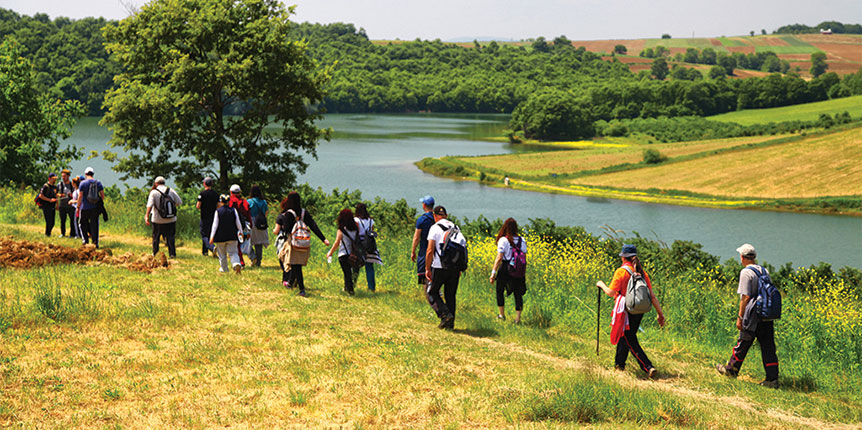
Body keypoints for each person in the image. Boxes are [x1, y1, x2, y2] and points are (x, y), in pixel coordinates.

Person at [596, 244, 666, 379]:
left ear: (623, 257)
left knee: (629, 339)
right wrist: (660, 314)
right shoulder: (643, 273)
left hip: (626, 310)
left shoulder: (621, 272)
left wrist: (601, 284)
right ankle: (619, 365)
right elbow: (652, 296)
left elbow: (611, 292)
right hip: (639, 310)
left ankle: (648, 366)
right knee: (625, 336)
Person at [716, 243, 780, 388]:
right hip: (766, 314)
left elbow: (745, 297)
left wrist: (740, 317)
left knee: (743, 342)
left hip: (752, 315)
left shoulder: (746, 272)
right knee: (768, 347)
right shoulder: (764, 270)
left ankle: (731, 370)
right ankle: (772, 379)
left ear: (742, 257)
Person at [273, 191, 328, 297]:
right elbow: (313, 225)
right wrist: (323, 239)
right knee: (295, 264)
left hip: (294, 242)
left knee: (296, 265)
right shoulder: (304, 212)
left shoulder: (289, 213)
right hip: (304, 243)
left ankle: (302, 289)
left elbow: (287, 229)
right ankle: (290, 283)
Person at [425, 206, 467, 330]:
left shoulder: (435, 227)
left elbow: (430, 250)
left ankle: (445, 315)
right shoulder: (456, 228)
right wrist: (459, 267)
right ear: (446, 215)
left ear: (435, 216)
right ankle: (450, 324)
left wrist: (427, 268)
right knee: (450, 295)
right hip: (454, 267)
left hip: (439, 266)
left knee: (432, 292)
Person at [489, 218, 527, 323]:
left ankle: (501, 315)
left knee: (500, 290)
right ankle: (517, 319)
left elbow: (499, 258)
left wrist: (493, 272)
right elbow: (524, 257)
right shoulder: (522, 240)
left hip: (506, 268)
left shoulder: (503, 240)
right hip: (518, 269)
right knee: (518, 293)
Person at [326, 208, 362, 295]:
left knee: (347, 273)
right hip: (354, 254)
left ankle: (350, 290)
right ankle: (347, 288)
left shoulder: (341, 229)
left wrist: (330, 253)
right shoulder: (355, 229)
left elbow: (337, 243)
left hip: (343, 254)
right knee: (350, 272)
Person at [145, 176, 182, 258]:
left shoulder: (154, 192)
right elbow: (179, 202)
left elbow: (149, 205)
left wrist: (147, 216)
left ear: (155, 183)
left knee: (156, 238)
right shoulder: (171, 190)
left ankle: (155, 253)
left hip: (157, 219)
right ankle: (172, 254)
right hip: (171, 219)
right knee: (170, 237)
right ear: (164, 183)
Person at [209, 194, 244, 274]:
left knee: (222, 254)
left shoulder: (218, 211)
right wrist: (241, 232)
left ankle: (224, 269)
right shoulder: (233, 210)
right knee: (233, 252)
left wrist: (212, 237)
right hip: (232, 236)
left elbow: (215, 225)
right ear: (228, 202)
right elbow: (238, 222)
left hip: (220, 237)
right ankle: (236, 264)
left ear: (221, 202)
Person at [354, 203, 383, 292]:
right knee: (369, 267)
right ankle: (371, 288)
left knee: (356, 266)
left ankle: (352, 284)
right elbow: (372, 233)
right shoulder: (371, 221)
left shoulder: (356, 220)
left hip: (360, 245)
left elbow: (356, 233)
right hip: (370, 245)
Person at [411, 195, 435, 288]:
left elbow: (416, 237)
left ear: (424, 205)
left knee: (424, 278)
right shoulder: (436, 219)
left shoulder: (421, 220)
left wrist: (413, 251)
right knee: (435, 277)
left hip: (424, 252)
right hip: (436, 252)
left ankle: (430, 298)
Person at [78, 167, 105, 248]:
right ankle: (95, 242)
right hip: (95, 208)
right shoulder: (98, 183)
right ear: (93, 174)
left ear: (86, 174)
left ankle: (85, 241)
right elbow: (102, 196)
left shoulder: (82, 183)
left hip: (85, 207)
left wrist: (78, 207)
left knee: (83, 223)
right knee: (94, 224)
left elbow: (80, 196)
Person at [228, 184, 251, 266]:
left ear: (231, 192)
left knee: (235, 245)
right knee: (238, 244)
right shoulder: (244, 202)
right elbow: (248, 216)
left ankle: (240, 262)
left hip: (233, 225)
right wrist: (249, 228)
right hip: (243, 224)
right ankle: (239, 260)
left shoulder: (231, 201)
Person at [247, 184, 269, 267]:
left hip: (252, 222)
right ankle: (258, 262)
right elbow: (266, 212)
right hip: (261, 222)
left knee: (247, 242)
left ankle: (253, 257)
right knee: (259, 243)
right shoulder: (264, 202)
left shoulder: (249, 201)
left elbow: (247, 212)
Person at [196, 177, 219, 257]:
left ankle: (212, 247)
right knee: (209, 233)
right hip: (213, 217)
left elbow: (198, 206)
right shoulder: (216, 194)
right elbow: (218, 206)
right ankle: (204, 252)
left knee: (204, 234)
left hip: (204, 217)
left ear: (204, 184)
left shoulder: (202, 194)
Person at [57, 169, 76, 238]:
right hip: (62, 205)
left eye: (64, 176)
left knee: (72, 220)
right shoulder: (60, 184)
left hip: (70, 206)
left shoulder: (72, 185)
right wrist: (60, 195)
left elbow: (76, 193)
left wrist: (71, 195)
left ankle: (72, 234)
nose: (63, 178)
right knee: (62, 220)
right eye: (62, 176)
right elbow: (56, 193)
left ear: (68, 176)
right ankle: (62, 233)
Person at [69, 176, 83, 240]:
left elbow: (80, 200)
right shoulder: (75, 190)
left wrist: (72, 201)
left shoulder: (78, 191)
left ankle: (78, 234)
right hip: (74, 207)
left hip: (77, 207)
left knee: (76, 221)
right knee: (74, 221)